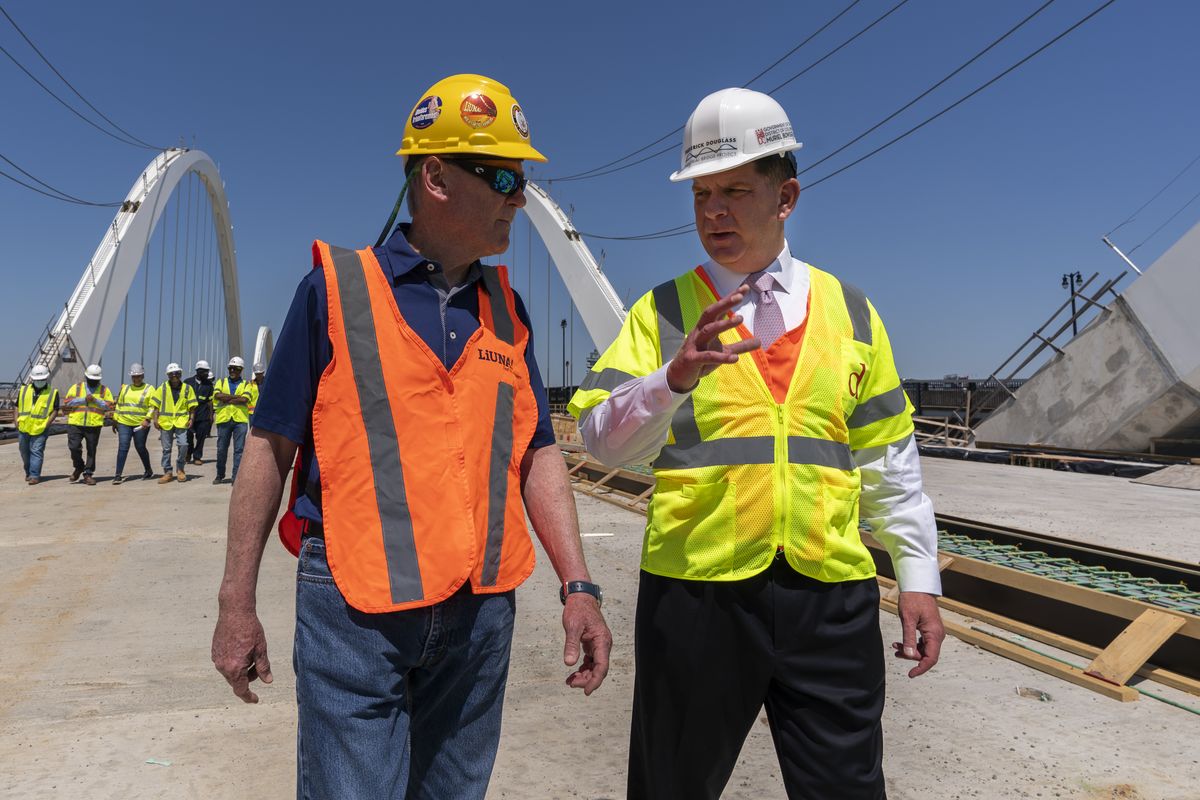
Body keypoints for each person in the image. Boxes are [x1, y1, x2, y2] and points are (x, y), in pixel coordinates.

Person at [211, 73, 612, 800]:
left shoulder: (506, 308)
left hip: (480, 610)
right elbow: (268, 450)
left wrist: (577, 585)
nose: (520, 199)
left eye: (521, 182)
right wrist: (236, 604)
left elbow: (536, 452)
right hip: (355, 614)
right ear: (434, 177)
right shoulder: (335, 292)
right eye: (502, 177)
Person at [569, 88, 945, 800]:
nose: (714, 211)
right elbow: (601, 440)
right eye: (702, 194)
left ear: (787, 196)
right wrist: (670, 380)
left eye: (737, 190)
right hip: (697, 598)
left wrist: (918, 578)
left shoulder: (854, 314)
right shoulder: (659, 314)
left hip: (831, 597)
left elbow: (891, 464)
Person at [62, 363, 113, 485]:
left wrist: (95, 400)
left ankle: (88, 473)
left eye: (95, 380)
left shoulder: (104, 390)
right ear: (86, 377)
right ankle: (79, 466)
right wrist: (84, 399)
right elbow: (67, 402)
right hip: (76, 423)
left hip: (93, 424)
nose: (93, 381)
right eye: (91, 379)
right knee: (74, 447)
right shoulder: (77, 387)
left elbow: (109, 405)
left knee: (91, 450)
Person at [151, 363, 197, 483]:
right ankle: (168, 472)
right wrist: (155, 420)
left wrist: (191, 419)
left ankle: (180, 469)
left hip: (181, 422)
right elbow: (156, 406)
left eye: (177, 373)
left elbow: (192, 407)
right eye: (172, 374)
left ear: (180, 374)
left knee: (183, 445)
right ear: (168, 375)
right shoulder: (162, 388)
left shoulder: (188, 388)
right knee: (166, 449)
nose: (174, 376)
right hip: (166, 423)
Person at [112, 363, 156, 484]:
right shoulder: (125, 388)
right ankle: (118, 475)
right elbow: (119, 405)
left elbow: (153, 406)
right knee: (123, 447)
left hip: (140, 424)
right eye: (134, 376)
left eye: (138, 376)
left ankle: (148, 470)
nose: (136, 379)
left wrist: (147, 419)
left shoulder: (149, 389)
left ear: (142, 376)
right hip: (124, 422)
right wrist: (115, 420)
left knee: (140, 447)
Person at [212, 356, 253, 484]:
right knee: (221, 449)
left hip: (239, 420)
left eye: (236, 368)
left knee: (239, 449)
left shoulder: (247, 384)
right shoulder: (221, 382)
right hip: (224, 419)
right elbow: (217, 395)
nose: (232, 371)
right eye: (230, 368)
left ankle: (236, 477)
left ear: (241, 370)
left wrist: (226, 398)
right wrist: (236, 397)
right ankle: (220, 474)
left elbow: (244, 399)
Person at [17, 364, 59, 485]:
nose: (39, 382)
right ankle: (28, 472)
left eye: (41, 380)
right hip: (24, 427)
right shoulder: (24, 390)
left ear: (46, 378)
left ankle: (35, 475)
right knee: (24, 451)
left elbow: (55, 410)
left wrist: (47, 423)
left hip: (41, 428)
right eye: (37, 380)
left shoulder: (52, 392)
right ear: (32, 379)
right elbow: (16, 406)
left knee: (36, 451)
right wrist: (16, 421)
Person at [186, 359, 215, 465]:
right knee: (188, 435)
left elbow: (210, 401)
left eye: (207, 371)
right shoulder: (187, 382)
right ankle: (189, 452)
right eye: (204, 371)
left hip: (203, 413)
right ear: (198, 371)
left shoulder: (209, 385)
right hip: (189, 413)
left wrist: (211, 416)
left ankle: (197, 456)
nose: (206, 373)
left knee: (201, 436)